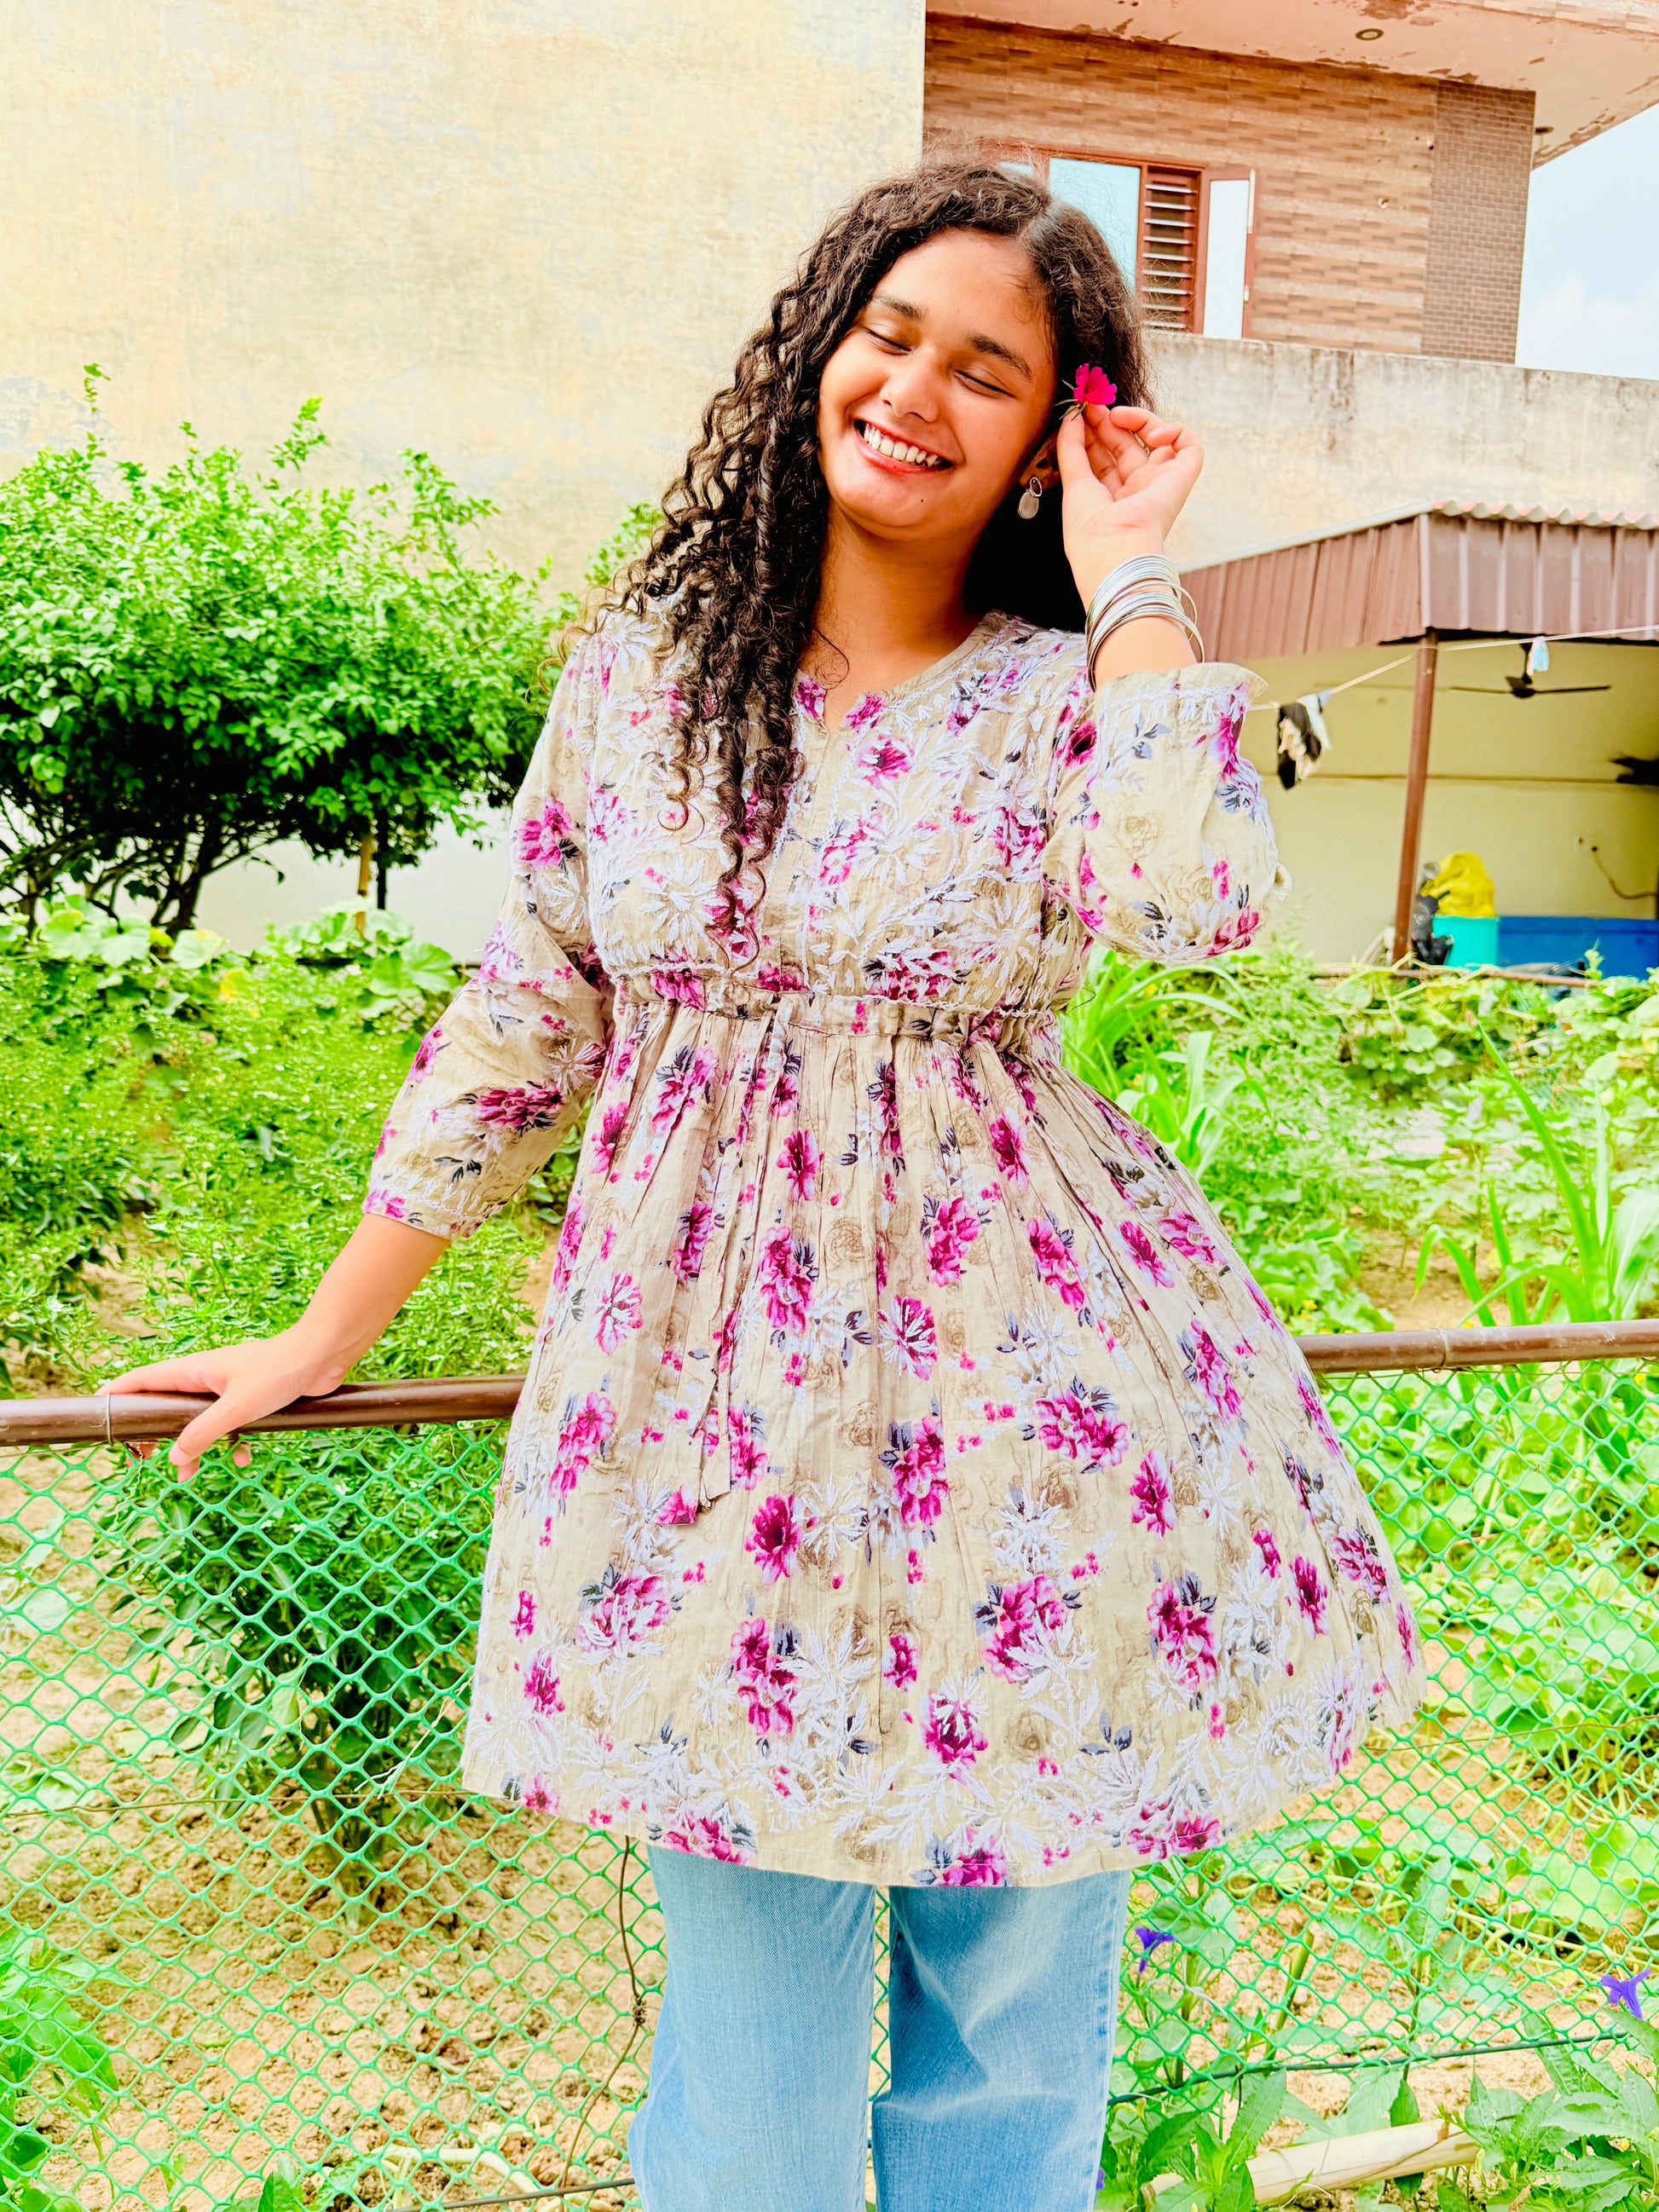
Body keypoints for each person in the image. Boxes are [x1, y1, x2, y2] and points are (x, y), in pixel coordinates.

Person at [106, 162, 1421, 2212]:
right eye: (887, 334)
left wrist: (1137, 575)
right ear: (817, 351)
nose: (913, 389)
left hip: (1031, 1433)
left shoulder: (1064, 690)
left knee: (1011, 2043)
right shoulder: (647, 675)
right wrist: (325, 1324)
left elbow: (1199, 905)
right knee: (750, 2081)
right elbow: (527, 1006)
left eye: (984, 369)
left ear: (1044, 436)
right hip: (707, 1436)